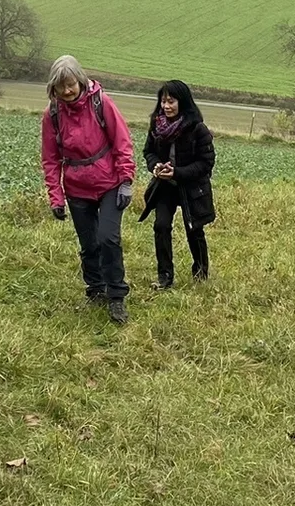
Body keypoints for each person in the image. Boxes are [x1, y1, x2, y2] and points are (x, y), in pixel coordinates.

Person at [40, 55, 136, 324]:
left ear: (80, 81)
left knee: (108, 239)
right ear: (53, 89)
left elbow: (122, 141)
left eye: (70, 84)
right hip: (76, 187)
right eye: (61, 87)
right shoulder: (53, 115)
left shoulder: (101, 103)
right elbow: (50, 158)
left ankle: (117, 296)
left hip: (109, 183)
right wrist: (55, 197)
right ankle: (95, 289)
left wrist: (126, 180)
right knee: (89, 244)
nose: (67, 91)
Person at [138, 80, 215, 290]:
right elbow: (149, 152)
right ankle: (165, 277)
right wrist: (155, 166)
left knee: (194, 229)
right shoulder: (157, 125)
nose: (166, 106)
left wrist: (178, 172)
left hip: (192, 187)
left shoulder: (197, 128)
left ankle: (200, 273)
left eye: (171, 101)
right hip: (165, 186)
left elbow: (206, 163)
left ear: (183, 102)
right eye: (163, 101)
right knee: (161, 226)